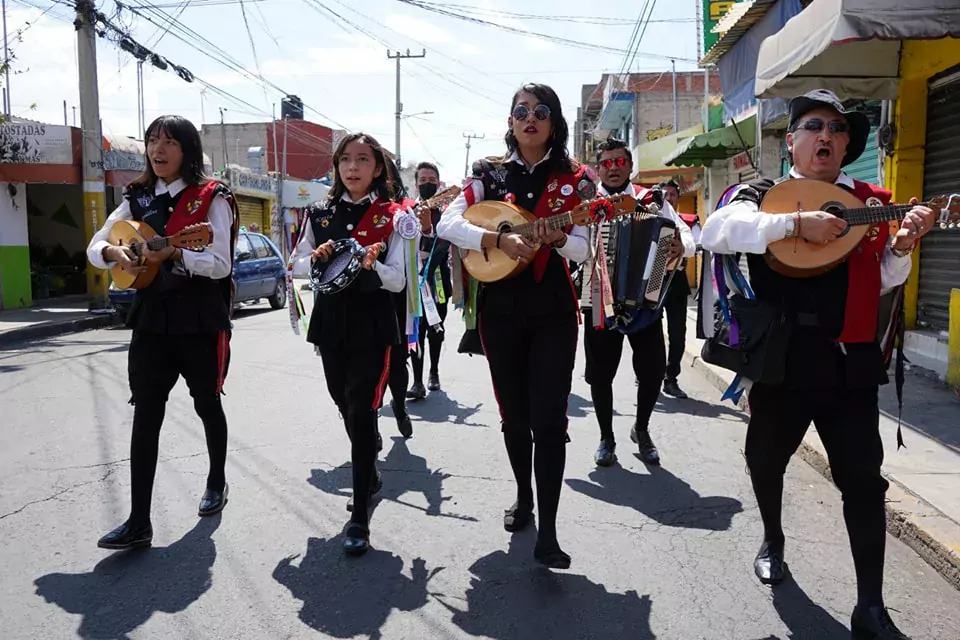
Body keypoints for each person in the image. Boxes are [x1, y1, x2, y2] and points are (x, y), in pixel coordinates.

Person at [701, 89, 936, 640]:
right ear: (792, 142)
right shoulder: (760, 194)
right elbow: (714, 233)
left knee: (863, 481)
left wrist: (900, 248)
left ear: (848, 143)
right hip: (783, 362)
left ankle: (870, 607)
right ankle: (773, 538)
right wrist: (792, 225)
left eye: (837, 128)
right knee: (766, 458)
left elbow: (880, 282)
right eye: (814, 126)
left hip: (849, 360)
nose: (826, 135)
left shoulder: (870, 200)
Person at [438, 83, 591, 569]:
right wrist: (495, 238)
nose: (530, 118)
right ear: (509, 122)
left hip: (553, 312)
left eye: (541, 111)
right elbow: (447, 222)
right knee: (513, 415)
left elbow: (585, 249)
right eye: (521, 111)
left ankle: (548, 530)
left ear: (554, 122)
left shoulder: (576, 178)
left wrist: (560, 236)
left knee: (549, 420)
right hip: (500, 310)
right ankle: (523, 496)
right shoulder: (487, 174)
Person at [87, 115, 239, 550]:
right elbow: (97, 246)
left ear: (188, 150)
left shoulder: (212, 197)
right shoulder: (136, 197)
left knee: (207, 402)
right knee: (146, 412)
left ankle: (216, 479)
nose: (157, 149)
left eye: (169, 142)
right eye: (153, 140)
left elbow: (221, 263)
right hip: (152, 318)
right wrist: (117, 250)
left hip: (199, 318)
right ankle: (138, 521)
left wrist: (175, 252)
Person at [290, 132, 410, 556]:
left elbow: (399, 277)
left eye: (363, 159)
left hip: (374, 321)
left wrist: (369, 264)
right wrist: (317, 256)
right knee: (342, 400)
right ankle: (370, 469)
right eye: (345, 159)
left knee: (361, 408)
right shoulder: (318, 212)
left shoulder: (393, 216)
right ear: (337, 166)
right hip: (331, 320)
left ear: (378, 168)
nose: (353, 167)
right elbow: (297, 264)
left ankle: (360, 514)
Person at [579, 140, 694, 468]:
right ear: (598, 168)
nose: (613, 167)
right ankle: (606, 438)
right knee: (600, 375)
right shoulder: (586, 203)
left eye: (619, 161)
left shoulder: (651, 199)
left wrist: (679, 248)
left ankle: (641, 429)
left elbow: (684, 235)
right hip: (598, 298)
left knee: (653, 370)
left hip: (645, 299)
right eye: (606, 163)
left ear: (630, 167)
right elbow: (574, 245)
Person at [407, 161, 453, 399]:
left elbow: (443, 246)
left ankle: (433, 371)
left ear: (439, 182)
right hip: (413, 280)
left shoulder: (447, 213)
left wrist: (429, 231)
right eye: (422, 180)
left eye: (431, 180)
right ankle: (416, 381)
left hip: (437, 281)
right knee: (416, 329)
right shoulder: (407, 212)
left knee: (436, 328)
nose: (427, 184)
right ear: (416, 184)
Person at [382, 159, 415, 438]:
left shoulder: (405, 211)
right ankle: (367, 425)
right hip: (357, 298)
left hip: (397, 296)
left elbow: (422, 249)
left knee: (397, 360)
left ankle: (400, 406)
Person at [657, 179, 693, 400]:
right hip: (653, 284)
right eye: (665, 194)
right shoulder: (651, 218)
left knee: (678, 334)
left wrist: (683, 247)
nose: (668, 198)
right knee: (650, 332)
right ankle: (650, 371)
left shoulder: (686, 223)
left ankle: (671, 379)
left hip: (677, 284)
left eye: (672, 194)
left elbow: (692, 244)